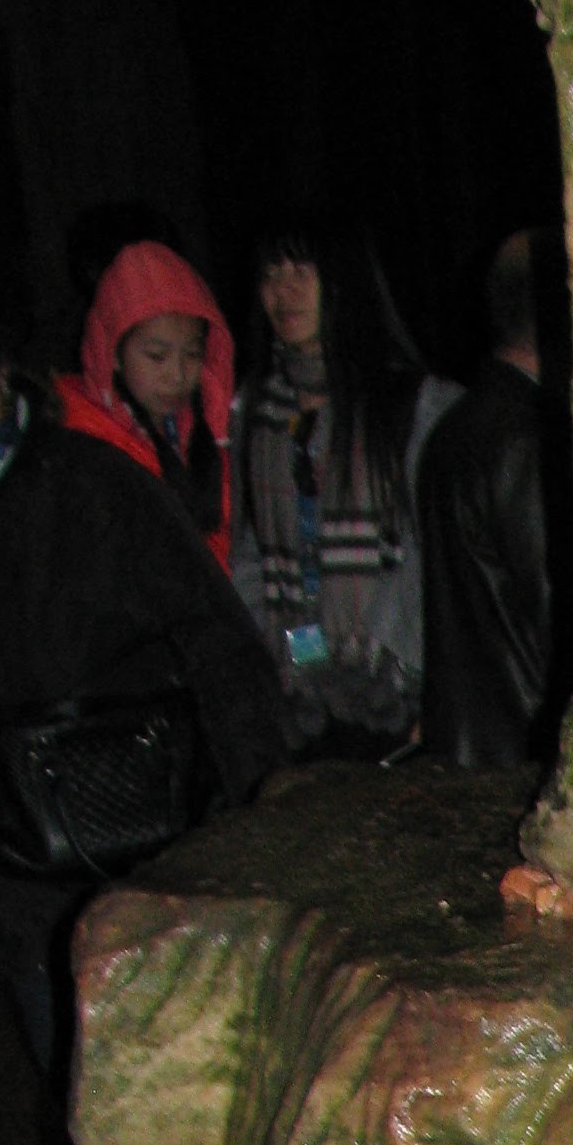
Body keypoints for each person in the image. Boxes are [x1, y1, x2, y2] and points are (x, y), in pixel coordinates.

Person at [0, 281, 284, 1067]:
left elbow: (222, 651)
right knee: (78, 1103)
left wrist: (265, 821)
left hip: (156, 867)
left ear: (1, 369)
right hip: (20, 884)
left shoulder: (94, 483)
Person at [233, 226, 460, 757]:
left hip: (400, 695)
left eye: (301, 272)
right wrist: (275, 656)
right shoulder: (260, 412)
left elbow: (439, 569)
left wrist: (434, 691)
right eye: (270, 274)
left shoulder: (414, 407)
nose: (281, 292)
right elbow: (251, 554)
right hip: (299, 697)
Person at [417, 229, 573, 771]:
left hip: (470, 744)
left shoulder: (456, 427)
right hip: (523, 750)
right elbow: (554, 610)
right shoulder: (529, 437)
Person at [56, 238, 238, 570]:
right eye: (157, 356)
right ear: (112, 354)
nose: (177, 374)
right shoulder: (81, 441)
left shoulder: (206, 433)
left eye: (193, 354)